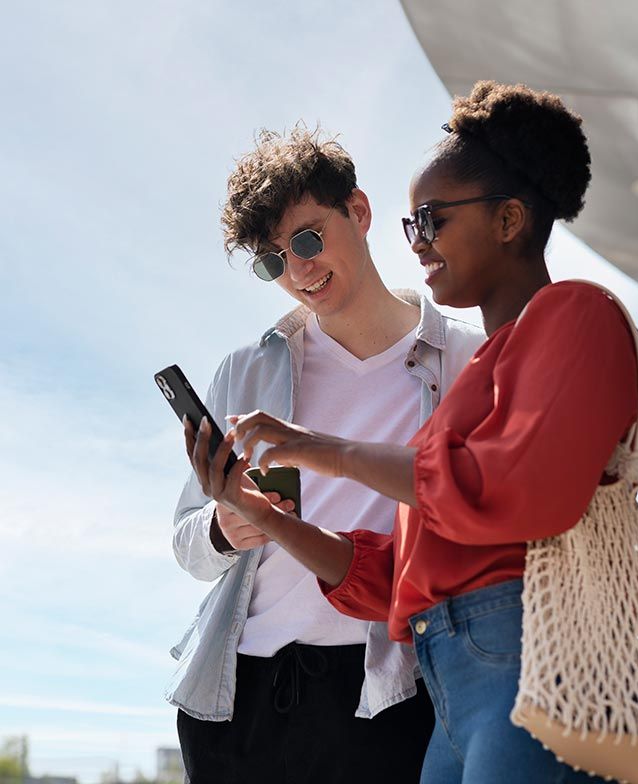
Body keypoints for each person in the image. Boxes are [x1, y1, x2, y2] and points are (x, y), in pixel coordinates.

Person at [199, 82, 638, 783]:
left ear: (508, 220)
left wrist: (325, 450)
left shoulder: (577, 316)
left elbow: (517, 492)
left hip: (529, 669)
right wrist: (272, 521)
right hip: (451, 693)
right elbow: (395, 574)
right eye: (413, 224)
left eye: (432, 219)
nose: (418, 244)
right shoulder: (469, 384)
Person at [168, 126, 485, 784]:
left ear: (360, 212)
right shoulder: (245, 370)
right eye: (273, 260)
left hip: (388, 690)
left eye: (309, 238)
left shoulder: (466, 356)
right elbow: (187, 544)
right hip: (236, 697)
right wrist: (225, 529)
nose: (298, 270)